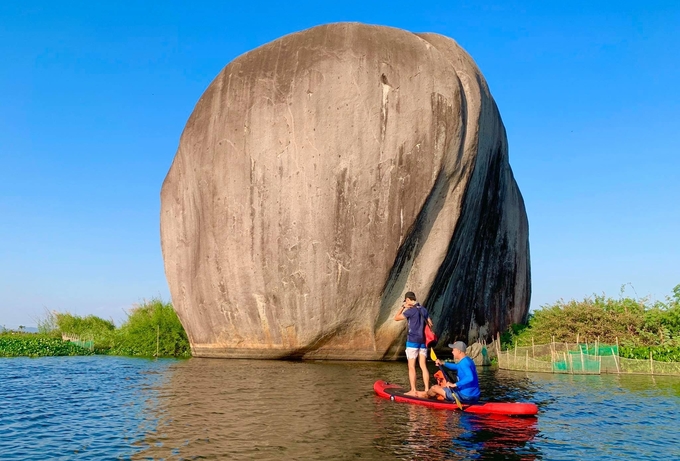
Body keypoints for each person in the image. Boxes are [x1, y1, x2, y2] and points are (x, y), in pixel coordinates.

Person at [394, 291, 433, 396]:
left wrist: (403, 307)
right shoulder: (423, 310)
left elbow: (396, 318)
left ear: (407, 300)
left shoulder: (410, 311)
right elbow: (430, 323)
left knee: (411, 366)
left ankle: (413, 390)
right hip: (423, 341)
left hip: (412, 341)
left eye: (405, 301)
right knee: (423, 366)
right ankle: (426, 390)